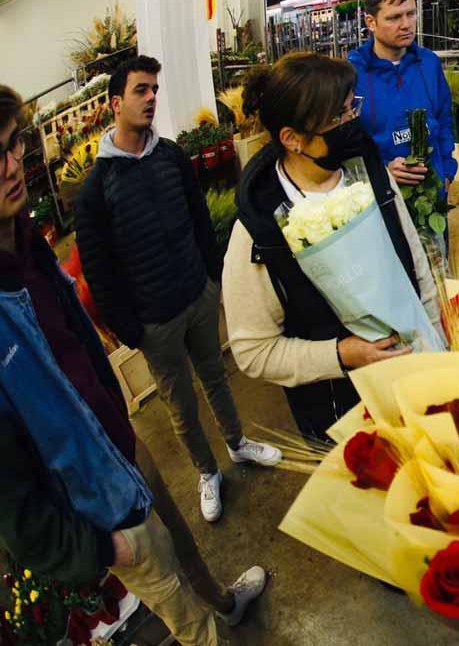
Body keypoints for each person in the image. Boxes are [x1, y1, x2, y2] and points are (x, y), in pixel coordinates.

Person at [0, 85, 266, 646]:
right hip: (86, 494)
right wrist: (99, 547)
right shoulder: (94, 191)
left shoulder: (28, 240)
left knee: (179, 541)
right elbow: (10, 497)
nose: (12, 165)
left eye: (12, 144)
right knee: (170, 594)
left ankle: (225, 602)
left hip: (116, 438)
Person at [75, 56, 281, 524]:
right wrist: (134, 332)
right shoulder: (96, 190)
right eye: (140, 90)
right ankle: (207, 472)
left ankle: (237, 443)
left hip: (197, 296)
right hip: (155, 322)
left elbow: (199, 221)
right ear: (115, 103)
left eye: (154, 90)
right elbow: (99, 272)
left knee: (216, 377)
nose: (151, 98)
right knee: (180, 405)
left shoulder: (169, 156)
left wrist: (211, 277)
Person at [224, 52, 440, 440]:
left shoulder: (370, 171)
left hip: (417, 376)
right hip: (340, 415)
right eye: (336, 117)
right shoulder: (260, 232)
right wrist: (341, 355)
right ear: (291, 139)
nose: (350, 123)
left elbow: (414, 262)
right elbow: (253, 352)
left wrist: (435, 336)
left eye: (350, 108)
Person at [348, 0, 457, 248]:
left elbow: (443, 118)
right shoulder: (352, 73)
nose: (406, 24)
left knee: (436, 270)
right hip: (380, 198)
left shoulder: (429, 63)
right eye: (394, 17)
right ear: (371, 22)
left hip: (431, 194)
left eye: (410, 13)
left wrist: (446, 170)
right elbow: (348, 141)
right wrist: (382, 172)